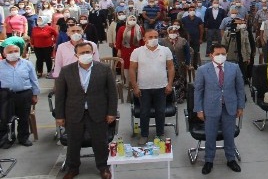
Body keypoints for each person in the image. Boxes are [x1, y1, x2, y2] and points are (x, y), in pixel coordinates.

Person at [54, 42, 117, 179]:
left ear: (93, 53)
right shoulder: (66, 71)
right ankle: (73, 168)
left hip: (98, 112)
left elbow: (113, 93)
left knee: (100, 141)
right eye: (82, 53)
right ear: (76, 55)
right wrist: (59, 115)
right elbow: (60, 95)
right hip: (74, 113)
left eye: (88, 52)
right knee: (73, 142)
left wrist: (111, 112)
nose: (85, 55)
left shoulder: (104, 69)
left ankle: (103, 167)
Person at [194, 44, 244, 174]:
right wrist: (199, 109)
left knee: (229, 135)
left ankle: (231, 159)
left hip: (230, 107)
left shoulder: (234, 68)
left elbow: (240, 88)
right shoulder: (203, 70)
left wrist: (240, 106)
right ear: (211, 55)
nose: (221, 56)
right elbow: (198, 91)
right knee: (210, 135)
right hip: (210, 108)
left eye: (223, 54)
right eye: (217, 54)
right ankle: (209, 160)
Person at [129, 30, 176, 145]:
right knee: (144, 112)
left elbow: (170, 67)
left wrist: (169, 84)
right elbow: (132, 69)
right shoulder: (137, 52)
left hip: (161, 87)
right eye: (150, 37)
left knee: (160, 111)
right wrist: (135, 87)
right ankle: (144, 134)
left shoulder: (165, 50)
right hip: (144, 88)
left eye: (156, 36)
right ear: (144, 39)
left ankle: (160, 134)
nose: (153, 38)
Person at [0, 44, 40, 148]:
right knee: (6, 118)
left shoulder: (27, 64)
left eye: (15, 51)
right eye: (10, 52)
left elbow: (34, 80)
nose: (13, 54)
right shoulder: (0, 65)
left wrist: (35, 94)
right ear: (4, 54)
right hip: (6, 95)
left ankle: (23, 138)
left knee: (24, 117)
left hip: (24, 94)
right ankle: (8, 138)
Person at [160, 26, 192, 104]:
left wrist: (188, 63)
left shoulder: (183, 41)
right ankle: (169, 98)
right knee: (168, 81)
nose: (173, 34)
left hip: (180, 64)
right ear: (168, 33)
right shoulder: (163, 41)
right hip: (167, 65)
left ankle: (180, 96)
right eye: (171, 32)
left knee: (180, 81)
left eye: (174, 32)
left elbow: (187, 53)